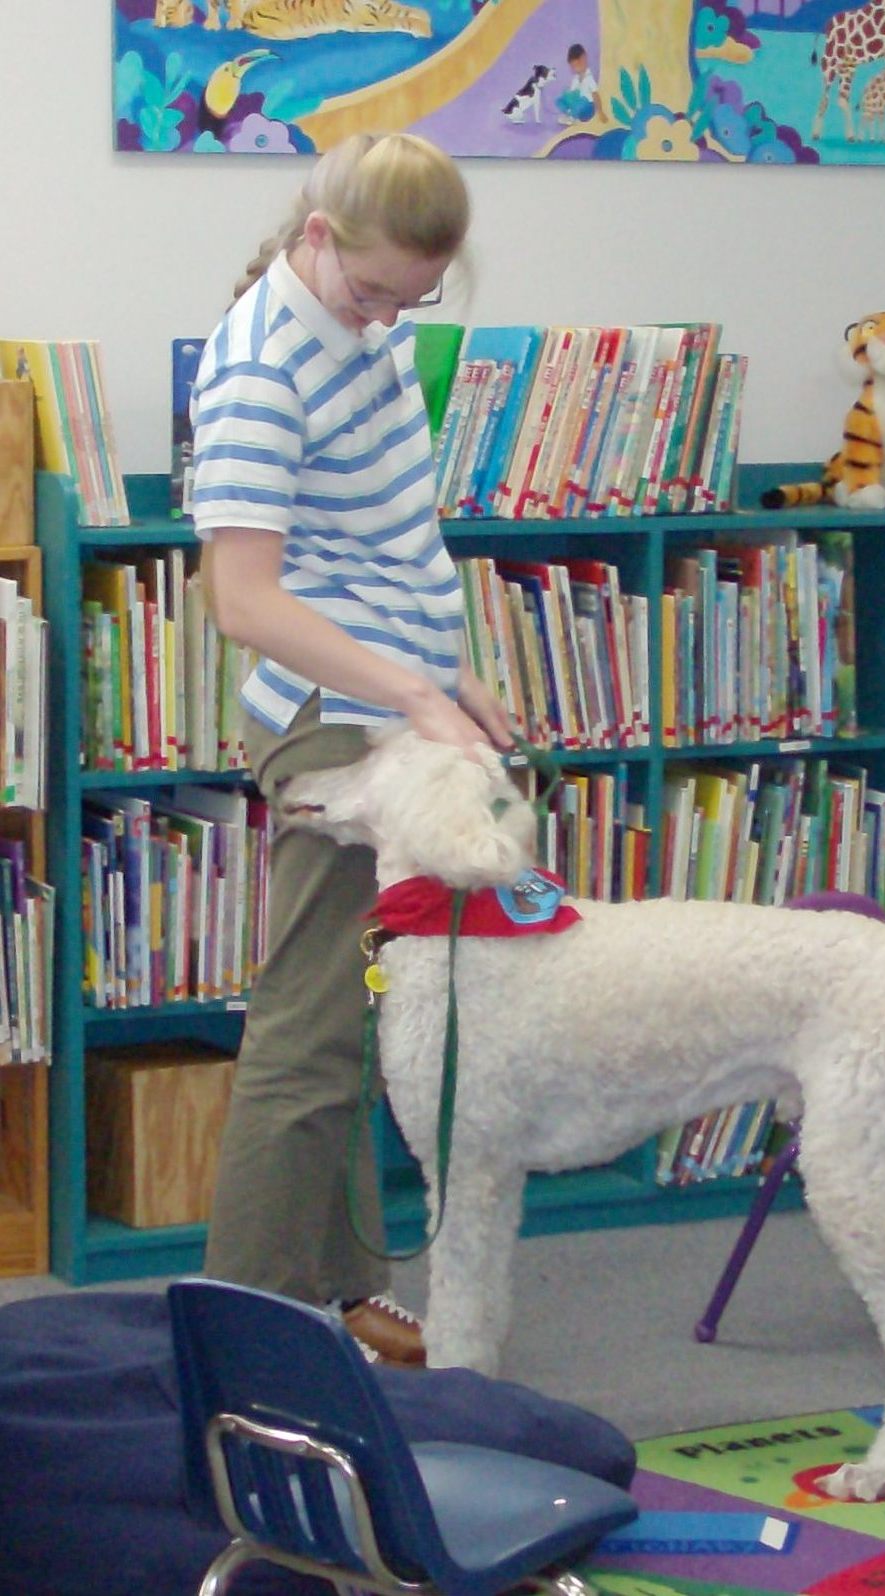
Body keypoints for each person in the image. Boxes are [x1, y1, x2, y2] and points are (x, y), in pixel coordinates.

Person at [190, 132, 513, 1366]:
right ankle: (247, 1331)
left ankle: (333, 1292)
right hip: (330, 717)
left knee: (349, 1020)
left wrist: (446, 675)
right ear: (316, 236)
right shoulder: (262, 372)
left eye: (414, 299)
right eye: (375, 290)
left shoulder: (358, 333)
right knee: (308, 1032)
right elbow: (246, 600)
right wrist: (408, 698)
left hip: (387, 692)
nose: (389, 316)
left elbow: (383, 543)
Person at [556, 43, 603, 124]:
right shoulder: (575, 79)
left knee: (582, 101)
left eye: (577, 65)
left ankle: (574, 117)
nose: (576, 69)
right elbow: (573, 94)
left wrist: (600, 113)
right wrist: (567, 96)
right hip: (577, 104)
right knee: (561, 99)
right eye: (573, 66)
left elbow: (596, 96)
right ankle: (570, 115)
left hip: (588, 107)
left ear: (584, 59)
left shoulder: (589, 79)